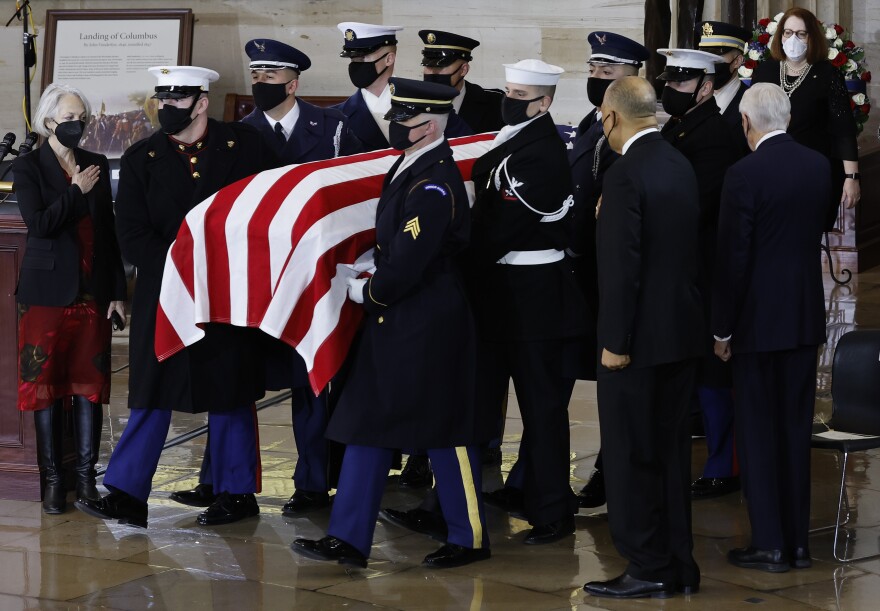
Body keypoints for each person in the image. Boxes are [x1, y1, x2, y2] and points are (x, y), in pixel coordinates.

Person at [291, 77, 489, 569]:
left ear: (428, 125)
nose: (394, 125)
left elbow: (410, 259)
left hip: (427, 320)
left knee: (445, 429)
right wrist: (370, 269)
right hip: (396, 317)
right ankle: (349, 537)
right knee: (367, 421)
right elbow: (394, 246)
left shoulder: (433, 182)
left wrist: (369, 288)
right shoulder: (410, 166)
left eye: (403, 119)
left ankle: (470, 537)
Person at [75, 66, 278, 528]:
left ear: (201, 103)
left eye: (176, 101)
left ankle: (235, 493)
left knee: (231, 389)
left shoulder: (246, 146)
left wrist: (219, 265)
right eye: (161, 100)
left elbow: (268, 210)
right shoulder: (141, 156)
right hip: (165, 289)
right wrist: (184, 266)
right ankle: (127, 493)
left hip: (227, 288)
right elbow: (131, 233)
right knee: (152, 389)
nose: (165, 109)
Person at [169, 39, 361, 516]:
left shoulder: (333, 129)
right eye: (255, 77)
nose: (260, 85)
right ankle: (216, 480)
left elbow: (355, 189)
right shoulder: (237, 135)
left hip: (308, 275)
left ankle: (314, 484)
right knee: (231, 380)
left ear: (293, 84)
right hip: (250, 278)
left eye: (270, 78)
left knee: (308, 383)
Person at [583, 76, 703, 599]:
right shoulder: (679, 162)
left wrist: (615, 340)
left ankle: (646, 565)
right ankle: (678, 564)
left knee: (631, 456)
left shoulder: (625, 174)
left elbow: (622, 267)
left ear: (610, 118)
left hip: (635, 344)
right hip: (679, 337)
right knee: (671, 456)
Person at [465, 59, 585, 544]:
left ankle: (553, 512)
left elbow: (502, 227)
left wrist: (455, 252)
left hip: (535, 297)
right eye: (508, 91)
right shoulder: (512, 137)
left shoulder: (541, 153)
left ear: (545, 102)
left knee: (542, 409)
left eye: (521, 95)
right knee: (477, 406)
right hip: (502, 295)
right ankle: (455, 503)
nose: (509, 100)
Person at [713, 83, 828, 573]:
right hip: (803, 316)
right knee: (794, 432)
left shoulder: (742, 173)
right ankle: (798, 544)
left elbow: (732, 260)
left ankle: (770, 546)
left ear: (746, 123)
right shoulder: (818, 165)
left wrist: (722, 330)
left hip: (757, 323)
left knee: (758, 435)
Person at [14, 83, 126, 514]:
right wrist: (75, 190)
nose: (78, 125)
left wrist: (117, 290)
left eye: (83, 117)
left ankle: (86, 477)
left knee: (89, 388)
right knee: (45, 387)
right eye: (69, 118)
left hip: (91, 292)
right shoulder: (28, 167)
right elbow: (39, 225)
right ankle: (52, 483)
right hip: (45, 295)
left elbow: (107, 234)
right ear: (48, 122)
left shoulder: (96, 163)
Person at [658, 48, 742, 500]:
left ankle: (724, 465)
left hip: (704, 271)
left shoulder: (714, 137)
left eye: (680, 83)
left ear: (706, 87)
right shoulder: (681, 124)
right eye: (669, 82)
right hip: (682, 271)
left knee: (714, 376)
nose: (670, 90)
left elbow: (694, 205)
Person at [570, 31, 649, 510]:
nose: (596, 78)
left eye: (608, 71)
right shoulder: (590, 122)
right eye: (594, 69)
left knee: (618, 382)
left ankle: (611, 471)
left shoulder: (624, 136)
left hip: (608, 271)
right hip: (586, 269)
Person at [751, 6, 860, 229]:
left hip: (814, 173)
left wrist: (852, 179)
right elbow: (751, 121)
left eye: (801, 33)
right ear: (780, 35)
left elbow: (843, 130)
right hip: (770, 171)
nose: (794, 39)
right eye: (788, 33)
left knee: (805, 239)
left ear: (812, 38)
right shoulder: (765, 71)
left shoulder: (828, 74)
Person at [333, 22, 472, 155]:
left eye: (363, 58)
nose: (356, 65)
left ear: (389, 59)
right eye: (353, 59)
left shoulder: (429, 99)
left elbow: (467, 149)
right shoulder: (335, 117)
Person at [419, 29, 504, 133]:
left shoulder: (496, 105)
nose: (433, 72)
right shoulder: (411, 104)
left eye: (441, 66)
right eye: (428, 66)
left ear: (463, 70)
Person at [698, 20, 752, 155]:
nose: (709, 63)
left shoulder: (752, 104)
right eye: (704, 56)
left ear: (737, 61)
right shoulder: (694, 98)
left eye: (716, 57)